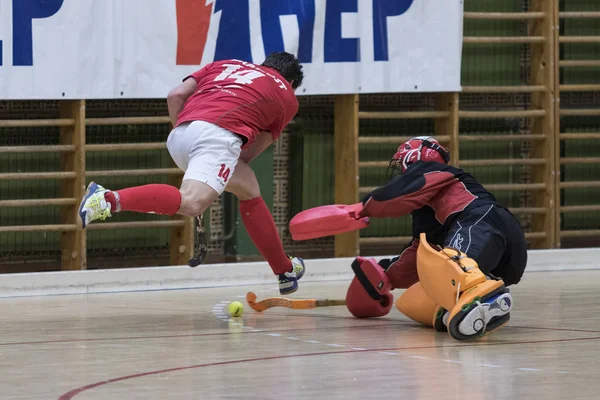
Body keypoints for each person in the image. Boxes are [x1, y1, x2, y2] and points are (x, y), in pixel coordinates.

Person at [78, 52, 306, 295]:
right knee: (192, 203)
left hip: (180, 135)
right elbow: (257, 145)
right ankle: (107, 199)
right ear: (291, 82)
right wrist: (219, 168)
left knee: (248, 186)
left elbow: (175, 95)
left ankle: (284, 271)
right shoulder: (287, 96)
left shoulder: (225, 64)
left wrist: (214, 169)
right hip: (217, 138)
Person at [343, 136, 527, 340]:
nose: (400, 172)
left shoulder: (433, 171)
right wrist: (385, 277)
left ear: (413, 159)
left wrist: (361, 208)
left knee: (453, 264)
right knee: (436, 279)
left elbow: (395, 194)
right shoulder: (426, 209)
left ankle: (483, 297)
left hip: (481, 220)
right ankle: (464, 301)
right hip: (504, 244)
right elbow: (421, 254)